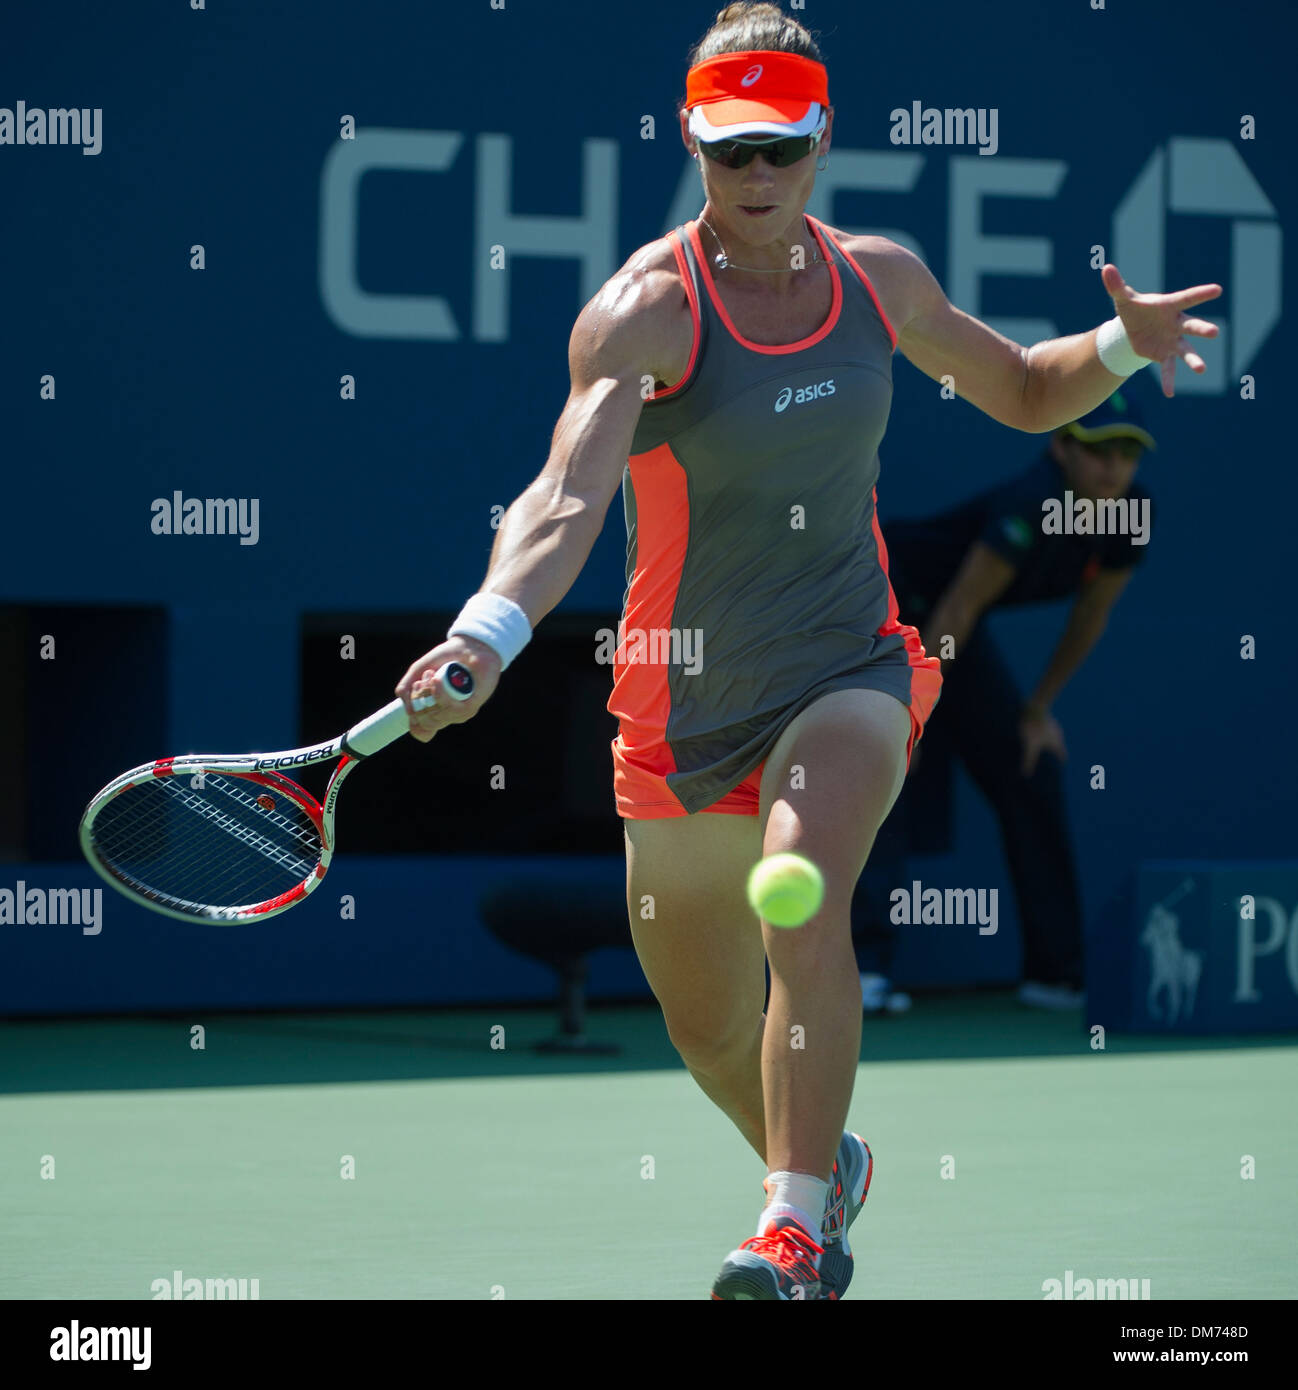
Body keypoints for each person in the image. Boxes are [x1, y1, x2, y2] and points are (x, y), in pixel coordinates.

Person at [391, 2, 1219, 1300]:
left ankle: (783, 1224)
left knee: (799, 880)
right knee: (708, 1025)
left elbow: (1022, 387)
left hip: (851, 670)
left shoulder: (878, 279)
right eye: (733, 152)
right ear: (693, 143)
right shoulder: (642, 313)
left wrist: (1119, 343)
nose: (758, 177)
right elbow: (563, 496)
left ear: (822, 137)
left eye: (781, 146)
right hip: (677, 713)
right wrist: (483, 632)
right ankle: (825, 1167)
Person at [851, 389, 1160, 1014]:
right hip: (885, 603)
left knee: (1030, 767)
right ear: (1061, 447)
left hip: (951, 627)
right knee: (885, 774)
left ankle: (1055, 974)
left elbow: (1090, 617)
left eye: (1127, 455)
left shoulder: (1131, 513)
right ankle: (861, 972)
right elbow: (959, 606)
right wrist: (910, 718)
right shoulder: (1032, 503)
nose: (1114, 470)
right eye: (1099, 451)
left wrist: (1037, 711)